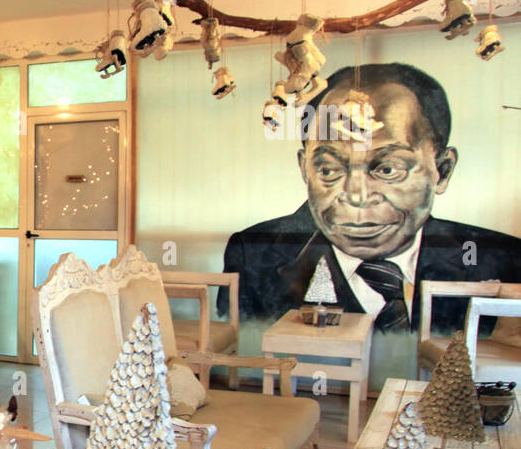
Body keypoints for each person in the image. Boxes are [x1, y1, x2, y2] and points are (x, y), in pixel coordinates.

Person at [221, 63, 521, 332]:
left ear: (441, 170)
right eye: (329, 169)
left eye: (388, 168)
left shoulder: (503, 260)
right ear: (305, 169)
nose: (357, 196)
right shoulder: (253, 254)